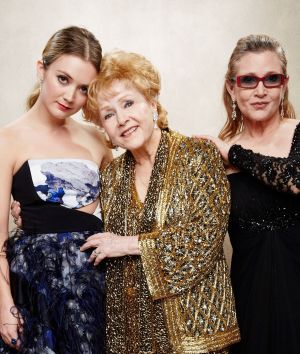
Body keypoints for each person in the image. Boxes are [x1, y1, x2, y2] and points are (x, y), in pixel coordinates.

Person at [79, 50, 240, 354]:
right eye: (109, 114)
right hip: (131, 336)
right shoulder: (111, 176)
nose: (122, 119)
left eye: (128, 103)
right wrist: (31, 210)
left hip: (194, 332)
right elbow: (85, 219)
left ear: (152, 103)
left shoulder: (198, 156)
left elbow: (204, 237)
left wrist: (129, 244)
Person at [0, 26, 111, 353]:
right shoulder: (8, 140)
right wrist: (3, 303)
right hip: (36, 293)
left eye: (83, 89)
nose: (70, 97)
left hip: (94, 291)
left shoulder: (98, 139)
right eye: (63, 79)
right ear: (41, 69)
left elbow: (126, 208)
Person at [198, 34, 299, 354]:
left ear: (284, 84)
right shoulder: (215, 157)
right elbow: (196, 235)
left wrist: (233, 153)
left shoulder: (297, 135)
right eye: (248, 80)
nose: (260, 90)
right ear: (232, 87)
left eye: (271, 79)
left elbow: (294, 180)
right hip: (248, 305)